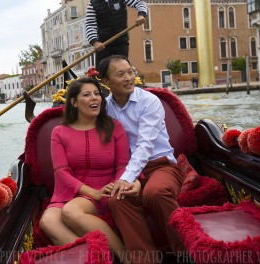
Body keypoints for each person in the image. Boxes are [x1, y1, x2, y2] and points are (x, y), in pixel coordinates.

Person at [98, 55, 185, 263]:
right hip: (128, 169)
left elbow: (145, 145)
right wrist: (128, 178)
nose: (129, 78)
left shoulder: (149, 101)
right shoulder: (105, 108)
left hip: (160, 166)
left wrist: (127, 178)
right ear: (106, 82)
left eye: (130, 72)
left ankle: (186, 253)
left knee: (155, 192)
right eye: (120, 74)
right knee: (117, 200)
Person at [39, 77, 133, 263]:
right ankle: (98, 258)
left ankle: (125, 258)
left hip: (106, 188)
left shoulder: (114, 127)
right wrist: (91, 193)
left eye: (97, 94)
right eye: (87, 95)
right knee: (47, 221)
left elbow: (123, 165)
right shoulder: (59, 132)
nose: (94, 99)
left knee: (71, 212)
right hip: (68, 191)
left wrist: (112, 189)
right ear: (73, 102)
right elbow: (61, 171)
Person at [85, 0, 148, 67]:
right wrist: (94, 42)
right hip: (103, 45)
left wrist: (141, 15)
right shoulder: (92, 4)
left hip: (121, 41)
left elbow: (139, 2)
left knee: (122, 68)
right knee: (101, 72)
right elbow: (90, 25)